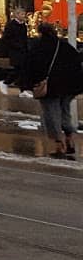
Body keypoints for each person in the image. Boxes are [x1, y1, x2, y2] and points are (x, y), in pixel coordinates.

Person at [18, 22, 82, 158]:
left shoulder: (38, 48)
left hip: (50, 88)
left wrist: (27, 85)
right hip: (68, 88)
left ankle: (59, 144)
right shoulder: (64, 46)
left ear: (40, 33)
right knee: (65, 112)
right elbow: (77, 65)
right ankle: (69, 138)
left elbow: (29, 67)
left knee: (51, 115)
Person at [0, 6, 31, 96]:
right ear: (16, 15)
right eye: (22, 14)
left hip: (23, 51)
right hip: (15, 52)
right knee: (18, 70)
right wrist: (16, 46)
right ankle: (5, 82)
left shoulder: (23, 25)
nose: (23, 16)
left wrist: (26, 48)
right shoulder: (10, 25)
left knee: (23, 70)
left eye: (24, 14)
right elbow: (6, 39)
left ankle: (23, 90)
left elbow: (24, 38)